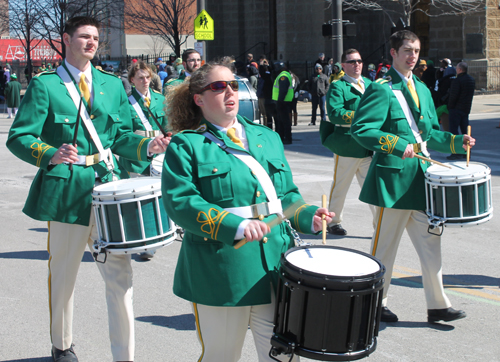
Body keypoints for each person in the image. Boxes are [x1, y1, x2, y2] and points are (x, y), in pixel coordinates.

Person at [6, 16, 170, 362]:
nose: (91, 42)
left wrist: (147, 147)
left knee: (120, 276)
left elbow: (122, 136)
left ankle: (124, 355)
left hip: (107, 189)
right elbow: (19, 138)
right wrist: (50, 154)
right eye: (84, 36)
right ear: (67, 39)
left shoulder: (111, 85)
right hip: (67, 191)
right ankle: (62, 345)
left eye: (95, 37)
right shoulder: (46, 85)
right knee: (64, 273)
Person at [162, 60, 333, 362]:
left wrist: (309, 216)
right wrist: (235, 226)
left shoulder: (267, 137)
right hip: (224, 272)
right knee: (221, 356)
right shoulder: (187, 145)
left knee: (282, 355)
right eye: (218, 86)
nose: (228, 91)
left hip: (274, 269)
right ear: (199, 98)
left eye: (233, 84)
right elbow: (182, 202)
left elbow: (286, 197)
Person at [351, 30, 475, 324]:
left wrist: (457, 143)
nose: (412, 56)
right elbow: (362, 130)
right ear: (393, 53)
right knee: (384, 248)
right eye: (407, 50)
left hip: (421, 180)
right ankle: (375, 303)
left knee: (432, 243)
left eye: (416, 51)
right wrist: (394, 145)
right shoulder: (382, 88)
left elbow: (429, 133)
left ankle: (438, 305)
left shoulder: (421, 87)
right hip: (392, 182)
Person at [321, 48, 375, 236]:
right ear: (343, 65)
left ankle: (381, 224)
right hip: (347, 146)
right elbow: (335, 114)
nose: (357, 64)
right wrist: (361, 117)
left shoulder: (370, 84)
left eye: (359, 61)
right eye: (352, 62)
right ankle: (333, 222)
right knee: (340, 187)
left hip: (368, 146)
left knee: (372, 187)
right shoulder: (338, 86)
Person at [446, 62, 475, 160]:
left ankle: (456, 152)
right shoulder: (471, 80)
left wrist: (450, 107)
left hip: (456, 109)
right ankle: (467, 151)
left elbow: (453, 96)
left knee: (454, 132)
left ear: (460, 70)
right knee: (465, 132)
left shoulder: (457, 81)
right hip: (465, 109)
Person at [272, 63, 293, 144]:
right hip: (284, 101)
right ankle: (282, 137)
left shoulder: (283, 76)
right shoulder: (284, 75)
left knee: (284, 121)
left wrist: (280, 100)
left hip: (283, 102)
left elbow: (283, 90)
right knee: (281, 121)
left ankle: (287, 138)